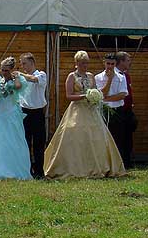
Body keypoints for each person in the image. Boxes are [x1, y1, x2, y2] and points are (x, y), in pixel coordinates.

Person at [44, 51, 125, 179]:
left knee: (96, 137)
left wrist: (96, 94)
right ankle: (74, 166)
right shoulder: (71, 76)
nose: (85, 66)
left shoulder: (91, 76)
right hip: (77, 109)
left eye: (87, 63)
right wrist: (84, 96)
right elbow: (69, 95)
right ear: (76, 63)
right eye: (82, 63)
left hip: (91, 110)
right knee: (75, 136)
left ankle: (97, 166)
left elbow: (98, 91)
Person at [95, 52, 128, 165]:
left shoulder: (121, 77)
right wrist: (109, 80)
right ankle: (104, 163)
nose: (109, 66)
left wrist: (108, 98)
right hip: (104, 111)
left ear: (115, 64)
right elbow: (101, 94)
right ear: (104, 63)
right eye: (108, 63)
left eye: (112, 64)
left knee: (118, 138)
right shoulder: (98, 77)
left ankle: (117, 164)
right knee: (103, 138)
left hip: (117, 110)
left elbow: (123, 94)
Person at [18, 52, 47, 179]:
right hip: (24, 112)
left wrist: (21, 75)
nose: (22, 66)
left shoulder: (41, 74)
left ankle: (39, 171)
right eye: (21, 64)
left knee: (39, 144)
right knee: (25, 143)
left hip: (37, 112)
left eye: (24, 63)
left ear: (32, 62)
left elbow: (34, 80)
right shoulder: (22, 77)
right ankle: (27, 171)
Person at [115, 51, 137, 168]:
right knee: (119, 136)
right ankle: (120, 162)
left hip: (128, 110)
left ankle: (128, 161)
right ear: (121, 61)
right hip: (119, 110)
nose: (129, 63)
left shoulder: (126, 75)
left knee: (128, 136)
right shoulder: (114, 75)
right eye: (127, 60)